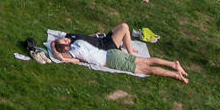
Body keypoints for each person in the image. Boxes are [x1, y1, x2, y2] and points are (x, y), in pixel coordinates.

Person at [50, 26, 188, 82]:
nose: (66, 39)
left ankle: (175, 74)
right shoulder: (78, 43)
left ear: (66, 48)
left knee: (146, 70)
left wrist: (54, 49)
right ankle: (173, 64)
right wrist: (56, 44)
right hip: (113, 53)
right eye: (64, 40)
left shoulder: (73, 51)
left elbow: (65, 58)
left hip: (111, 60)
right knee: (146, 61)